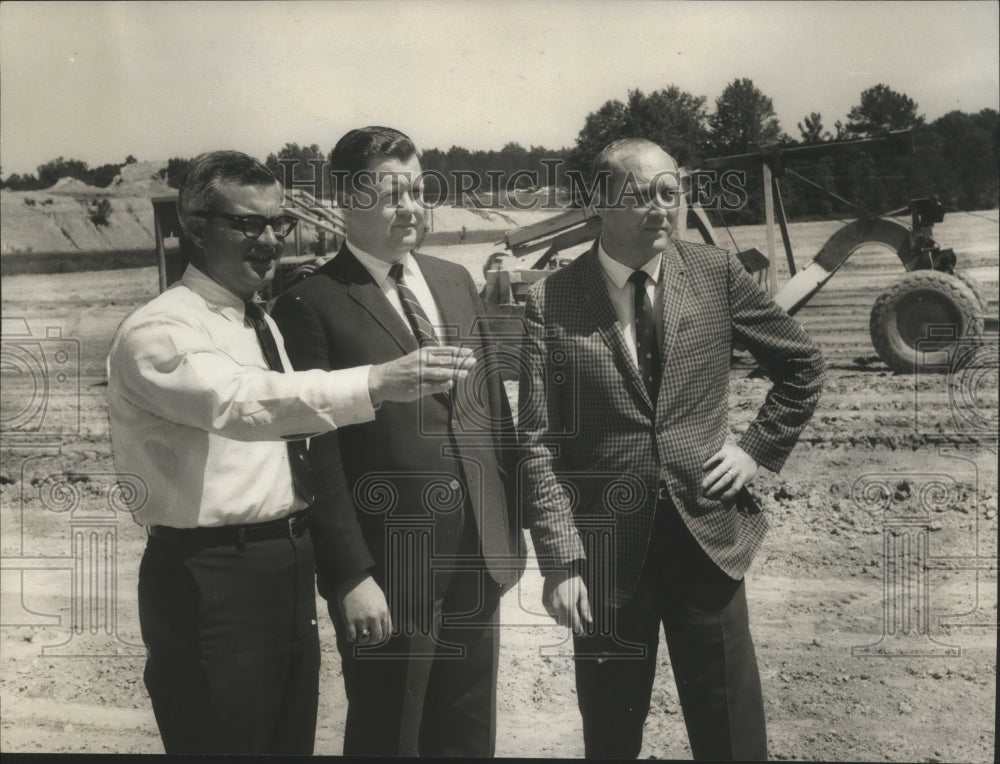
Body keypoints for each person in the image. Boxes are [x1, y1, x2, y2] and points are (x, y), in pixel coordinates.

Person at [106, 150, 473, 755]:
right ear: (196, 228)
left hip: (284, 566)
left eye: (279, 223)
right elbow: (245, 404)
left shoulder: (261, 323)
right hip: (213, 576)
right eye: (247, 224)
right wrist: (376, 381)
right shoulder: (161, 330)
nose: (270, 239)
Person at [518, 137, 826, 760]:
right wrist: (559, 560)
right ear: (597, 205)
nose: (662, 208)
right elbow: (537, 441)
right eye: (641, 195)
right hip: (604, 556)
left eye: (670, 192)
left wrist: (754, 450)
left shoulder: (714, 274)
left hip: (705, 540)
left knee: (732, 737)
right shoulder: (550, 300)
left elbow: (802, 365)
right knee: (610, 732)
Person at [271, 126, 524, 757]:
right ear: (346, 202)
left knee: (468, 735)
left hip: (477, 551)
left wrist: (508, 526)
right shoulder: (310, 303)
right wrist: (351, 574)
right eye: (392, 195)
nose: (411, 207)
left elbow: (492, 412)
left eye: (418, 191)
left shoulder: (454, 279)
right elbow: (313, 453)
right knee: (392, 735)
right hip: (392, 565)